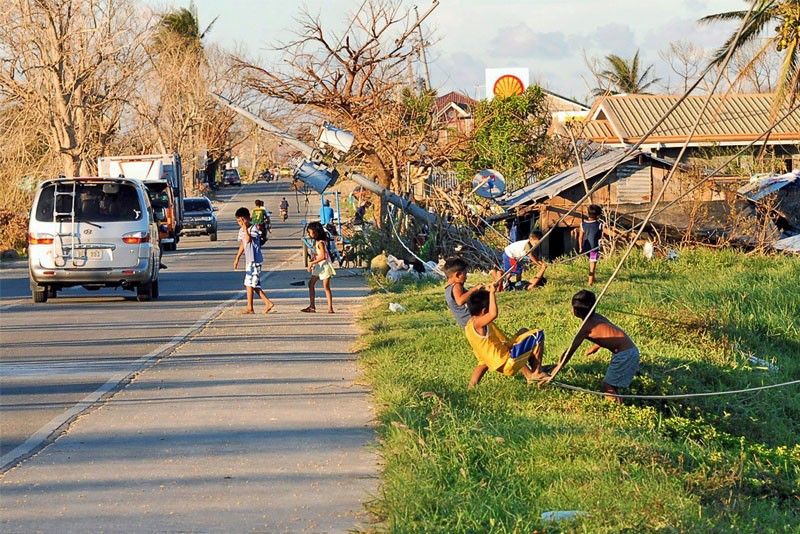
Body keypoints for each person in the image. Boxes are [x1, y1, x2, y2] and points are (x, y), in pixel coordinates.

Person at [546, 290, 639, 402]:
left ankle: (616, 410)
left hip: (624, 354)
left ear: (575, 310)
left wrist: (554, 372)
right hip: (630, 350)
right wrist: (596, 346)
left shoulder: (585, 328)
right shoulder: (597, 317)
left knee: (607, 387)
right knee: (612, 386)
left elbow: (569, 351)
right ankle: (617, 404)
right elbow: (609, 333)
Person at [464, 283, 548, 388]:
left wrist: (472, 385)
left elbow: (482, 363)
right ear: (484, 311)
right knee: (537, 335)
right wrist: (492, 293)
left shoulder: (469, 326)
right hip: (508, 362)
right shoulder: (479, 325)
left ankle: (529, 374)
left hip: (499, 358)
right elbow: (493, 314)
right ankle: (536, 372)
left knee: (523, 331)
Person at [232, 207, 275, 315]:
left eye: (240, 221)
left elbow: (248, 239)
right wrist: (237, 258)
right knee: (251, 284)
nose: (239, 223)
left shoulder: (253, 229)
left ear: (245, 219)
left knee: (251, 284)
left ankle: (260, 305)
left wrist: (245, 228)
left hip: (255, 260)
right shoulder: (242, 230)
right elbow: (243, 243)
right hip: (249, 260)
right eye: (238, 221)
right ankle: (254, 306)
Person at [301, 221, 336, 314]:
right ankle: (312, 306)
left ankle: (330, 307)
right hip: (319, 266)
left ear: (316, 232)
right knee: (311, 284)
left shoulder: (320, 243)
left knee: (326, 287)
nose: (309, 234)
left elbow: (323, 256)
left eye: (310, 232)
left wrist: (312, 263)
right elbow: (318, 254)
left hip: (324, 266)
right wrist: (313, 260)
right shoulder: (316, 242)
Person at [443, 257, 483, 329]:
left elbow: (467, 297)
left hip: (465, 324)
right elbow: (460, 301)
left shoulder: (447, 288)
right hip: (472, 321)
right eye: (465, 274)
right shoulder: (456, 285)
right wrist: (474, 289)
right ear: (457, 275)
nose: (466, 277)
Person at [578, 204, 604, 286]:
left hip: (586, 247)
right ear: (598, 215)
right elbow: (600, 237)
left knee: (591, 263)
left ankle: (593, 278)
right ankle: (590, 282)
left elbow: (580, 237)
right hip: (594, 248)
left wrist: (580, 247)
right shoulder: (599, 224)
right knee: (592, 265)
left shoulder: (583, 224)